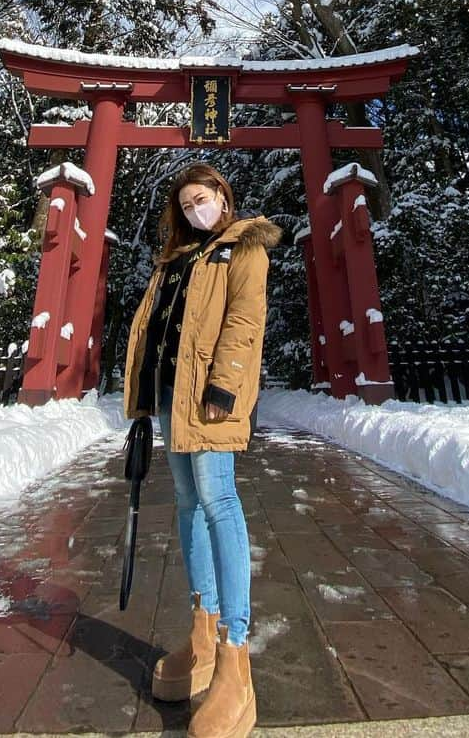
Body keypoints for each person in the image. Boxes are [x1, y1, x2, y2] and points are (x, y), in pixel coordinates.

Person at [124, 162, 280, 738]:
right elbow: (153, 329)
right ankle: (203, 631)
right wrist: (141, 403)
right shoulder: (176, 260)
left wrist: (225, 384)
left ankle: (235, 655)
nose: (196, 211)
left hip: (210, 397)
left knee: (219, 501)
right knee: (188, 504)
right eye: (186, 205)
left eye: (203, 199)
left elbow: (245, 321)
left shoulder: (245, 247)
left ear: (223, 195)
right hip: (171, 397)